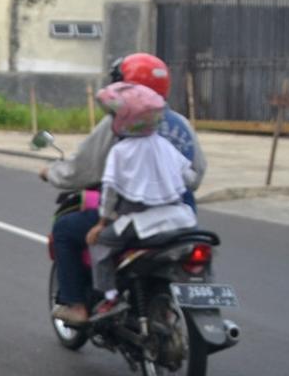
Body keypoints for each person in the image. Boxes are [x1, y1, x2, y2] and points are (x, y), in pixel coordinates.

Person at [41, 53, 206, 325]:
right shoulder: (178, 125)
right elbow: (194, 176)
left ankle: (85, 303)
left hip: (133, 220)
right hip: (180, 218)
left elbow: (85, 172)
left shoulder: (118, 131)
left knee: (70, 232)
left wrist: (51, 173)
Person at [84, 82, 198, 318]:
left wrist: (101, 223)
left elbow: (110, 192)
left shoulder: (121, 151)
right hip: (180, 219)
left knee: (99, 242)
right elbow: (190, 177)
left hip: (141, 225)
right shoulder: (164, 145)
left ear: (124, 119)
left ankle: (110, 297)